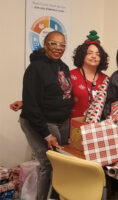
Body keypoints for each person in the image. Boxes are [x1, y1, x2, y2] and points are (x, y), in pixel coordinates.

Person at [19, 31, 73, 200]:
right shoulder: (35, 68)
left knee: (61, 164)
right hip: (42, 121)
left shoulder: (63, 67)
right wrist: (46, 133)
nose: (58, 48)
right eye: (53, 43)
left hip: (61, 121)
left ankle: (57, 196)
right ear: (45, 45)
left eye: (62, 45)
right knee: (48, 164)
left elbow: (57, 94)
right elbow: (32, 104)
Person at [70, 30, 109, 118]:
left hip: (97, 127)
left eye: (98, 54)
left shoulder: (106, 79)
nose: (94, 56)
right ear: (82, 55)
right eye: (89, 53)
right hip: (74, 125)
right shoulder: (71, 76)